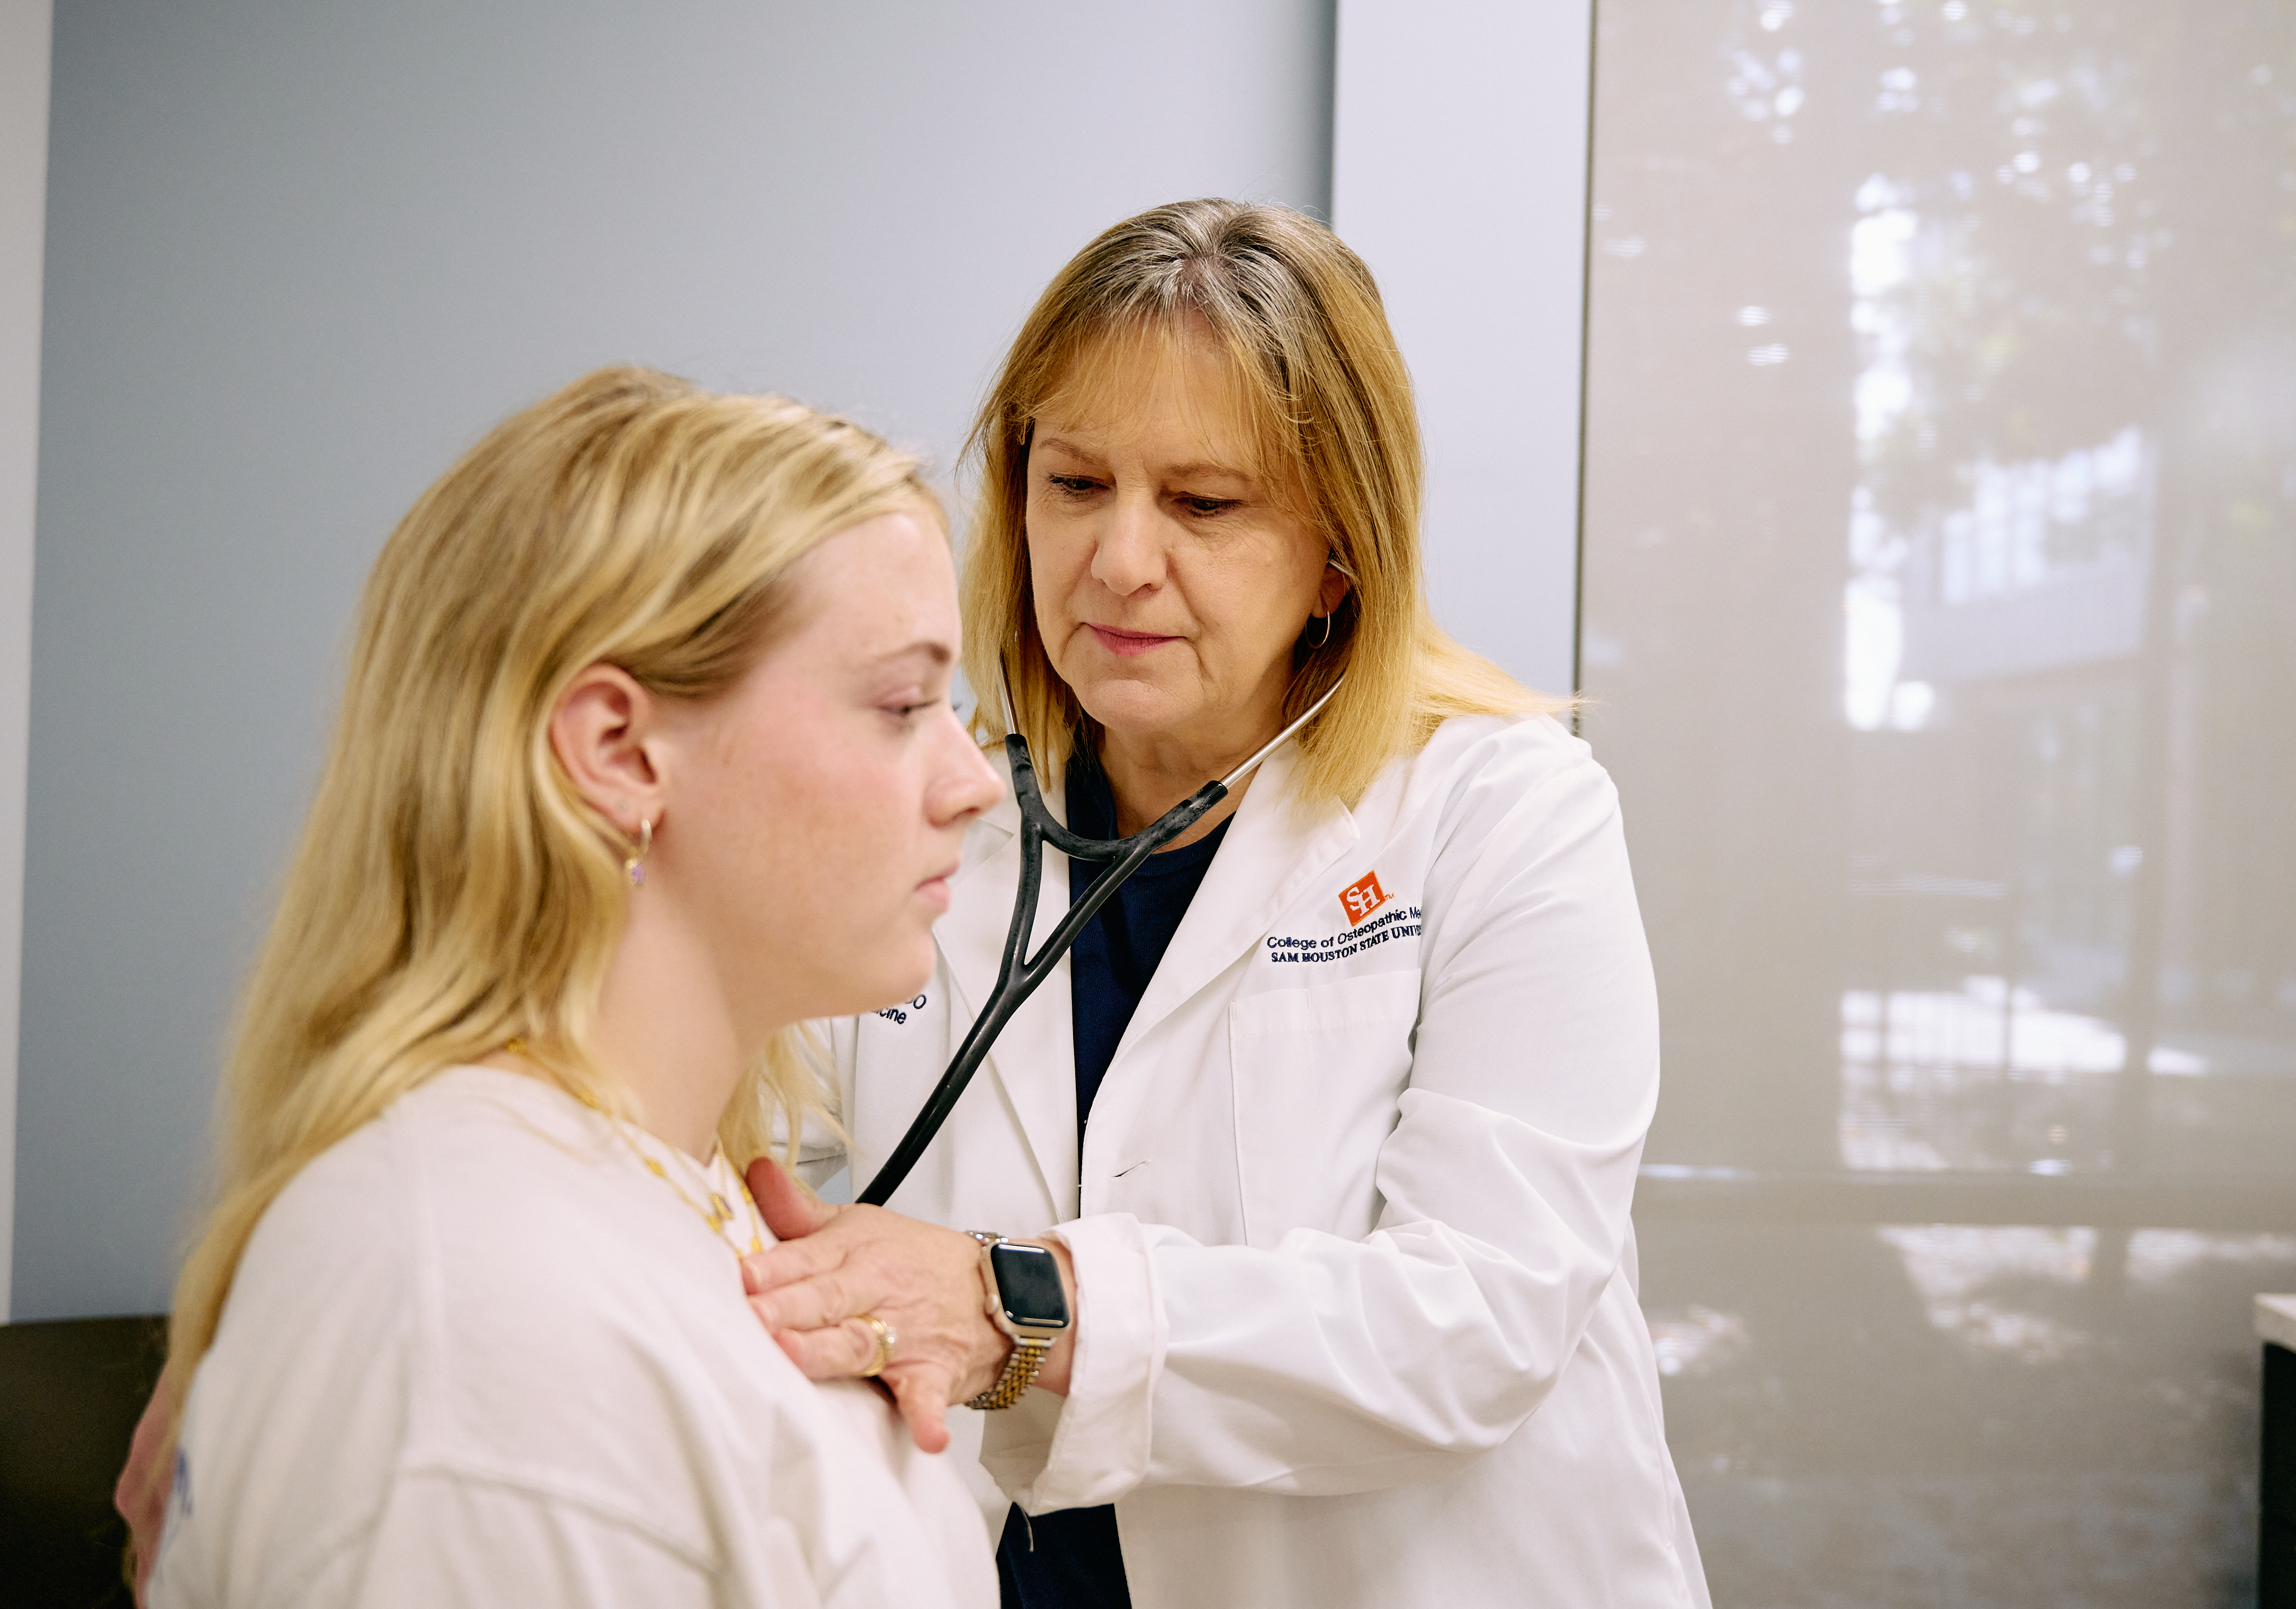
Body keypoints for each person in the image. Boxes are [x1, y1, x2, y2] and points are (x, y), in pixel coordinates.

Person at [738, 201, 1716, 1608]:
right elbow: (712, 1124)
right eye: (1075, 483)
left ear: (1341, 549)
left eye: (1204, 504)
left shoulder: (1505, 813)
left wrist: (1023, 1307)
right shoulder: (924, 801)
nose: (1121, 560)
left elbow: (1478, 1320)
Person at [134, 367, 1003, 1606]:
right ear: (618, 751)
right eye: (905, 703)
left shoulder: (674, 1194)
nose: (974, 782)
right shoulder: (473, 1326)